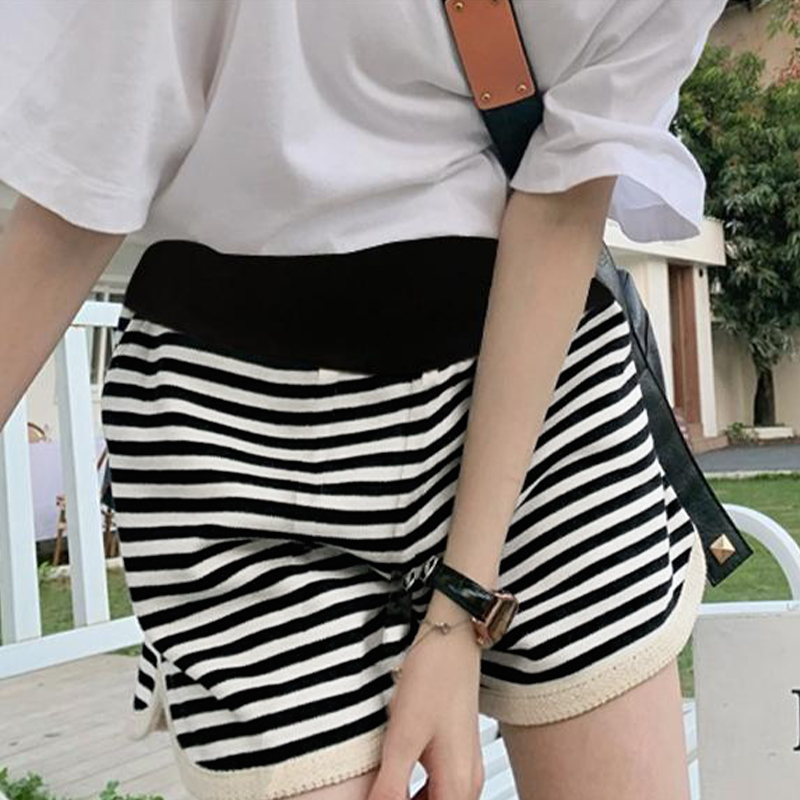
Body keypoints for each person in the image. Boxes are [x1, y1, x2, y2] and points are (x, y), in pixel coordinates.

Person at [0, 1, 727, 798]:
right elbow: (83, 181)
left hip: (536, 396)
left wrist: (460, 604)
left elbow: (562, 203)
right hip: (232, 433)